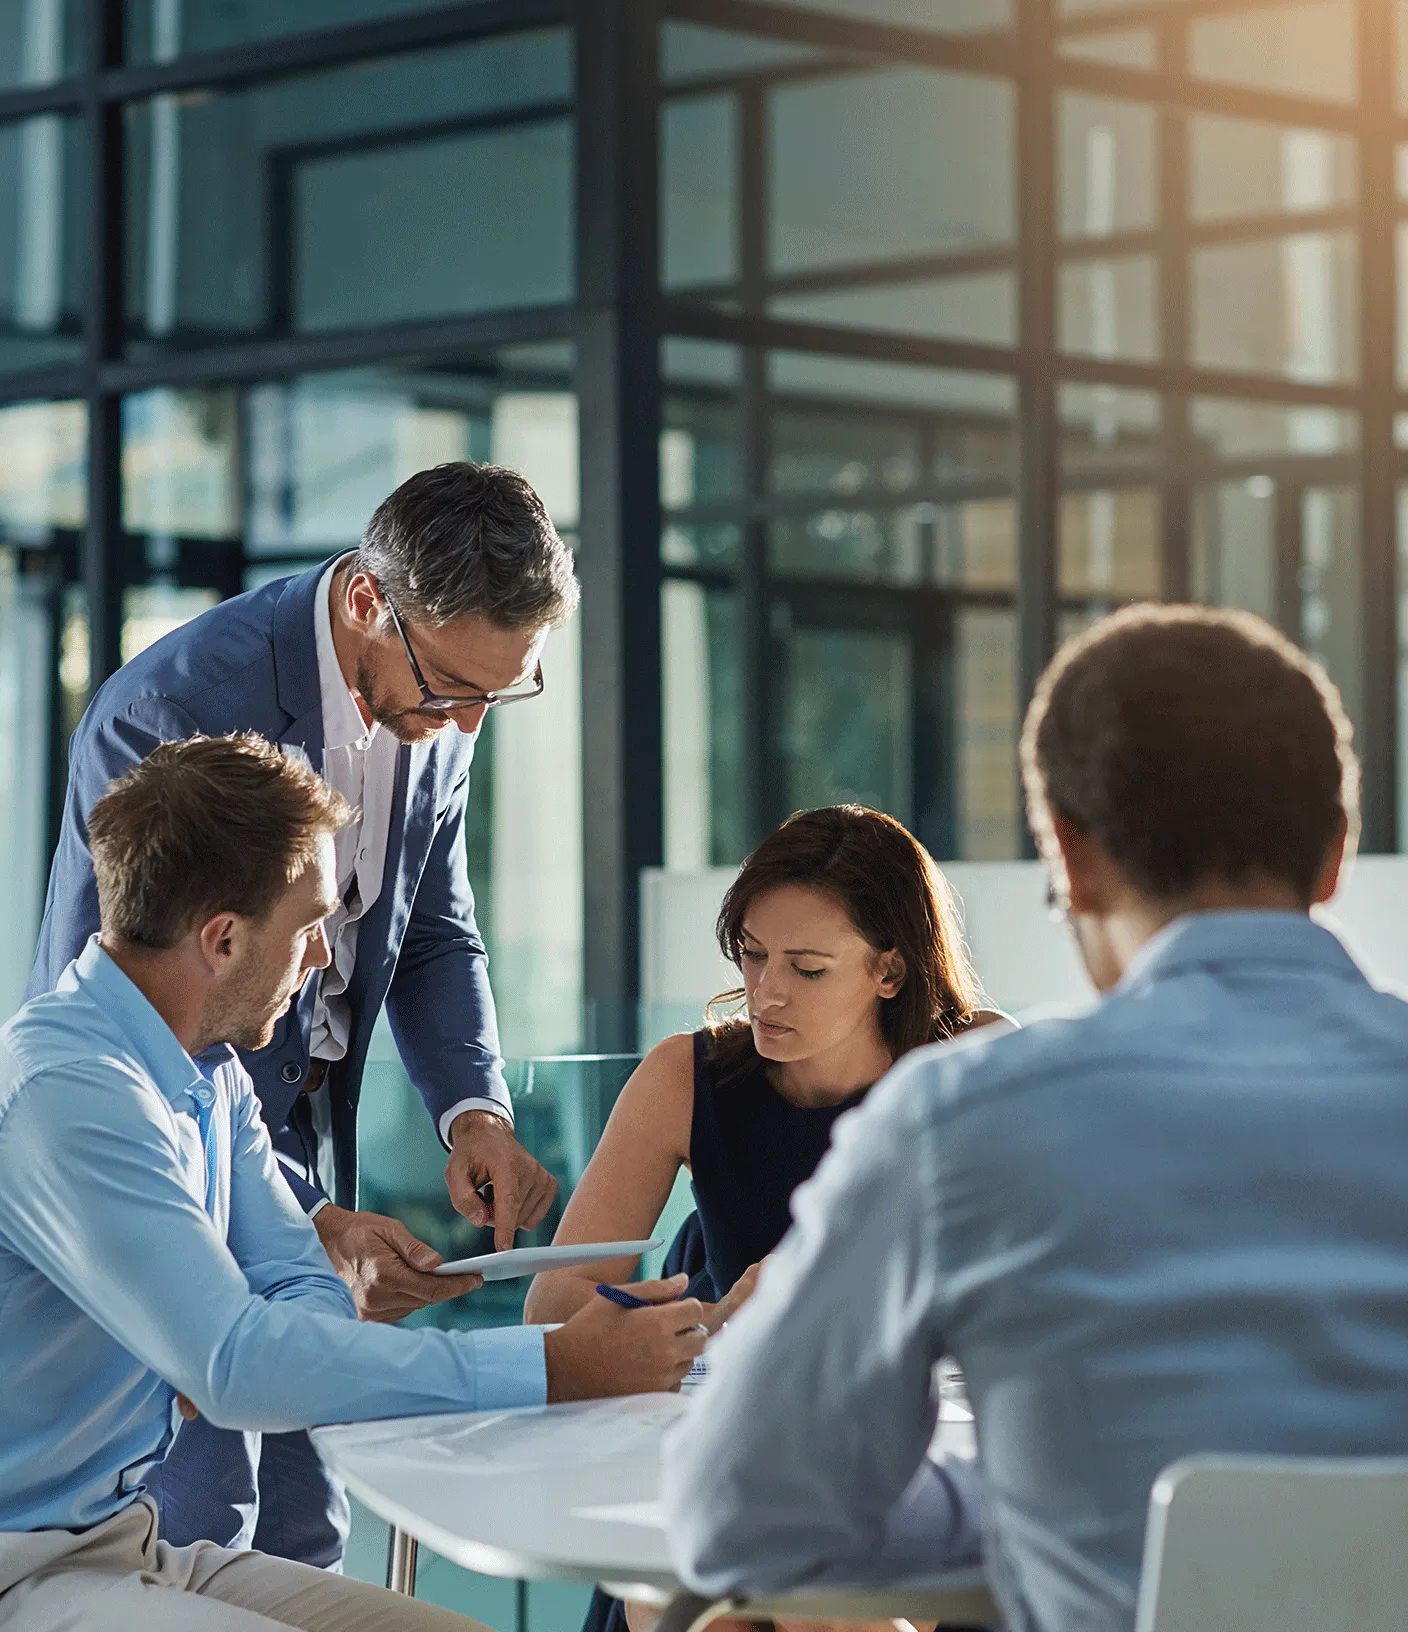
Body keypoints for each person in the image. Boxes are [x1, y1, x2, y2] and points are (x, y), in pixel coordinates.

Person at [660, 603, 1408, 1632]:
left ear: (1070, 854)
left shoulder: (963, 1120)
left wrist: (1022, 1504)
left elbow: (735, 1517)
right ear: (1335, 853)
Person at [0, 734, 706, 1632]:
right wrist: (555, 1364)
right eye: (308, 927)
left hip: (122, 1544)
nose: (323, 960)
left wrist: (246, 1350)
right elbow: (237, 1365)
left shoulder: (207, 1068)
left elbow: (295, 1285)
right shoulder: (73, 1092)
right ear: (222, 939)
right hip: (20, 1568)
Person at [27, 462, 574, 1566]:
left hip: (294, 1121)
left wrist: (473, 1110)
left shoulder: (446, 695)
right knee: (200, 1500)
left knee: (307, 1504)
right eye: (451, 690)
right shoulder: (170, 710)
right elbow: (139, 1004)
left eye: (501, 695)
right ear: (369, 601)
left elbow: (431, 926)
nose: (467, 722)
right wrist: (301, 1214)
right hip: (175, 1131)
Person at [525, 805, 1004, 1334]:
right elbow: (551, 1305)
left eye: (807, 969)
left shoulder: (977, 1061)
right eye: (753, 954)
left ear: (889, 972)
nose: (765, 994)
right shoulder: (685, 1077)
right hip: (719, 1372)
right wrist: (716, 1320)